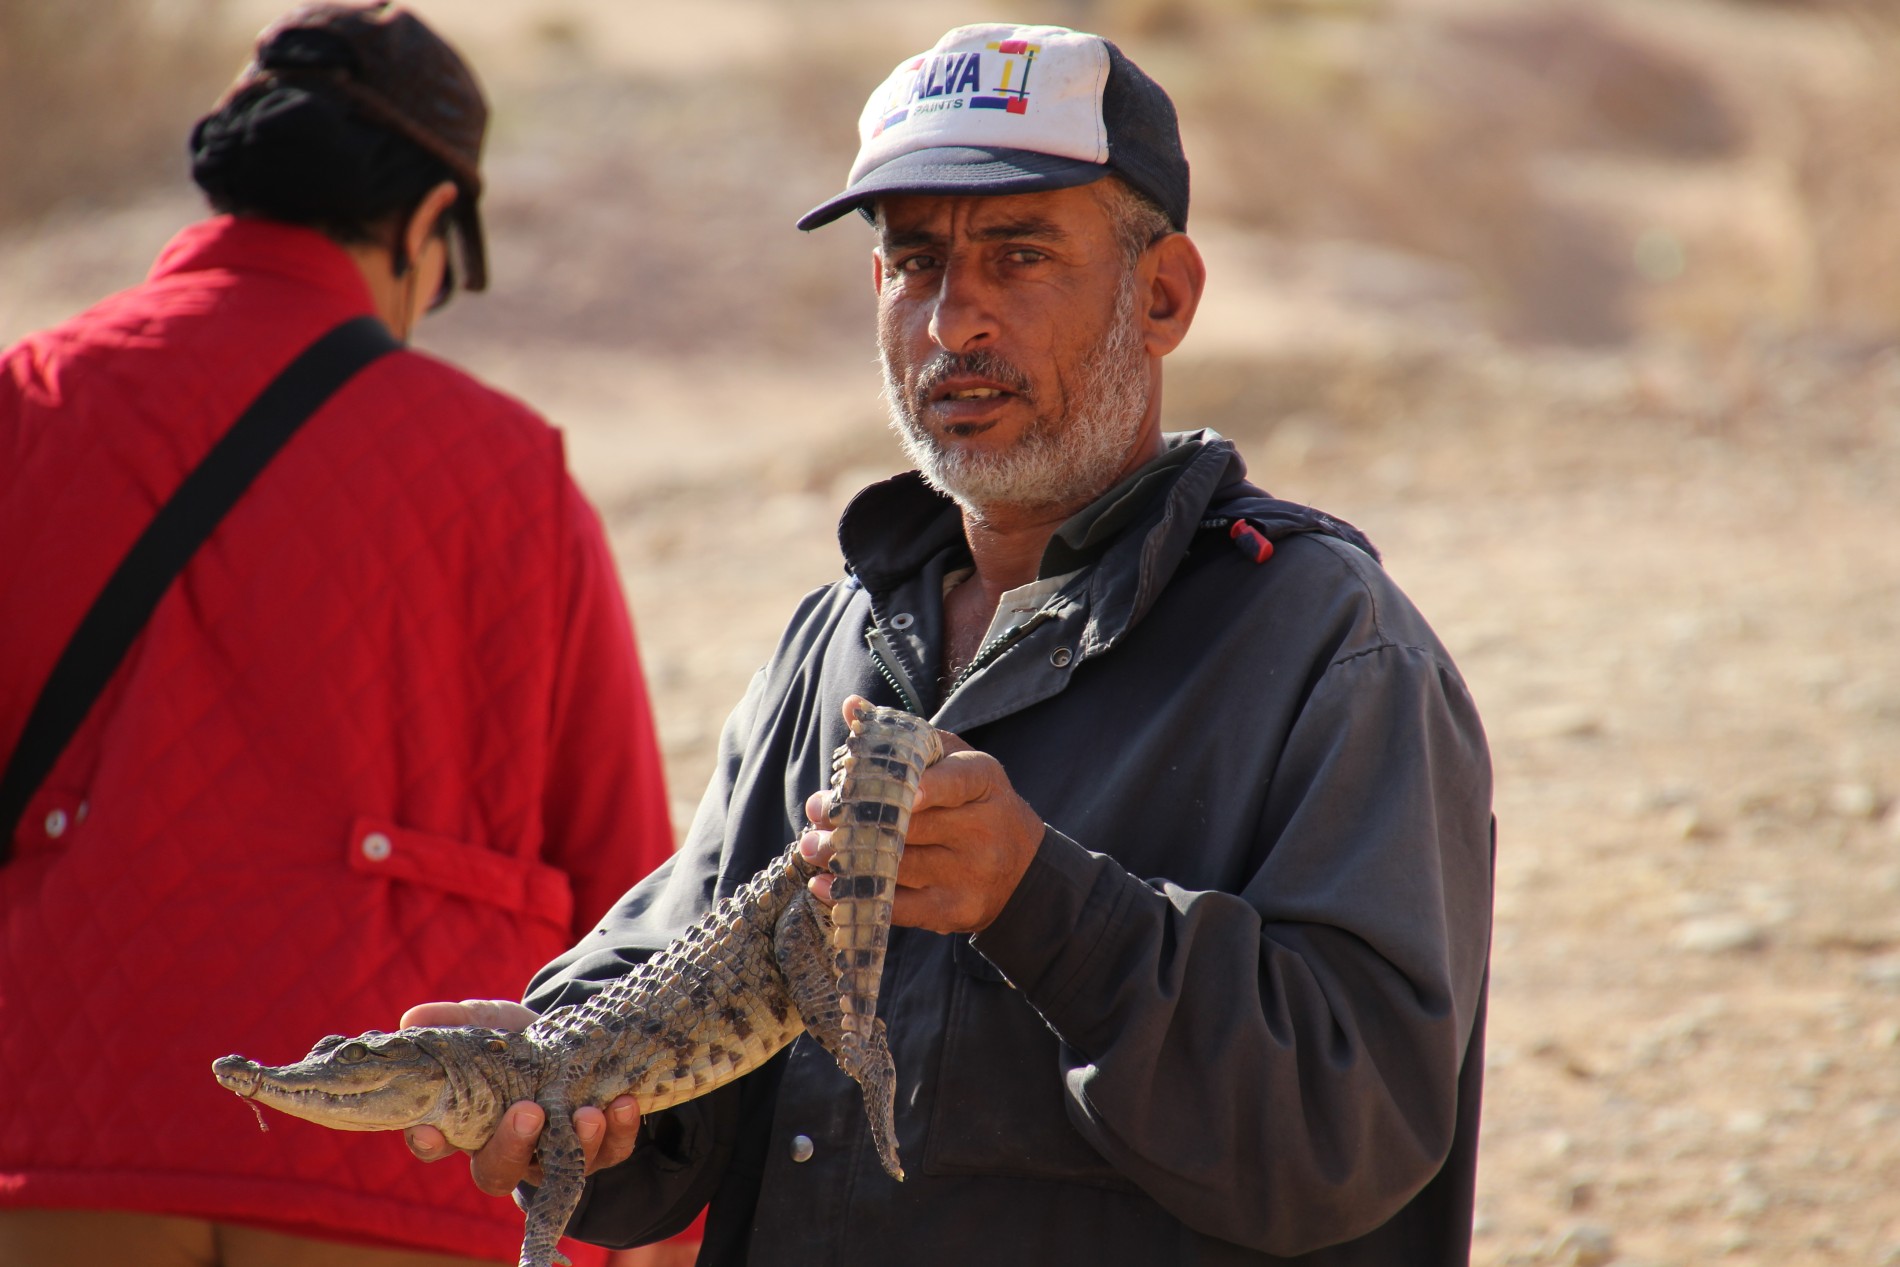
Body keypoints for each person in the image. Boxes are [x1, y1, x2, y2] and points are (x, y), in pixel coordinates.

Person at [408, 22, 1494, 1266]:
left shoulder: (1329, 647)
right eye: (914, 262)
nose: (954, 321)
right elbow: (678, 993)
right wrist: (561, 1088)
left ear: (1164, 294)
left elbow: (1348, 1131)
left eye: (1019, 256)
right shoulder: (838, 641)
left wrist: (1046, 903)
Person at [0, 5, 680, 1266]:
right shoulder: (510, 472)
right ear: (428, 226)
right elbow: (627, 885)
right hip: (408, 1158)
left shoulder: (25, 401)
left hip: (48, 1125)